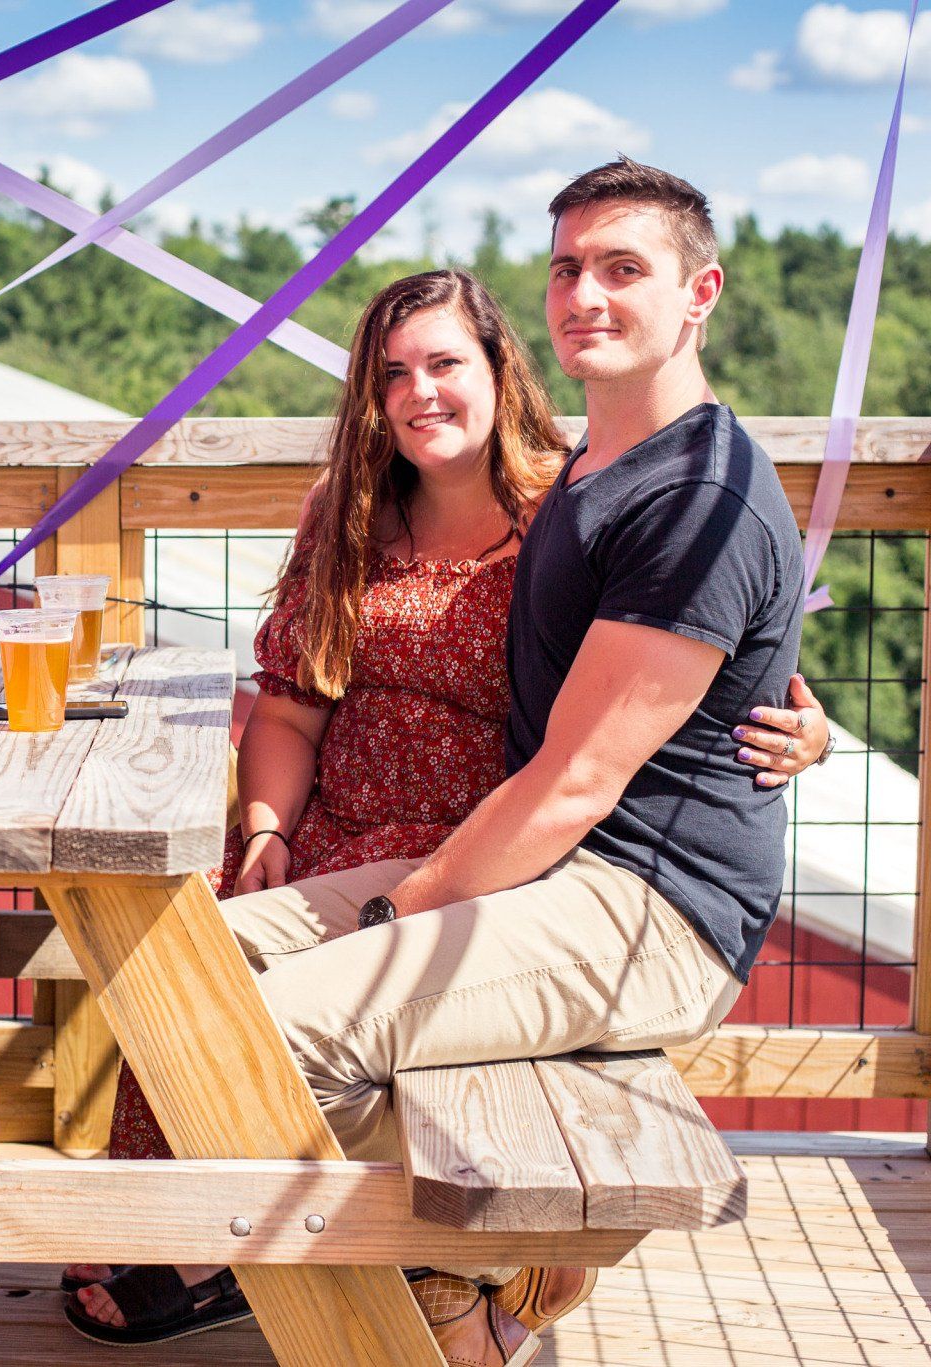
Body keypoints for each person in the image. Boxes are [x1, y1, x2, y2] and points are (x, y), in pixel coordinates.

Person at [68, 161, 823, 1365]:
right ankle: (439, 1267)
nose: (587, 290)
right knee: (179, 977)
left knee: (267, 1032)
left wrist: (394, 910)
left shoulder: (693, 496)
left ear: (701, 293)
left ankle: (456, 1268)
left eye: (625, 267)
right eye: (570, 264)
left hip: (643, 899)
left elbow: (583, 773)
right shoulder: (597, 471)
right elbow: (702, 665)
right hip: (534, 874)